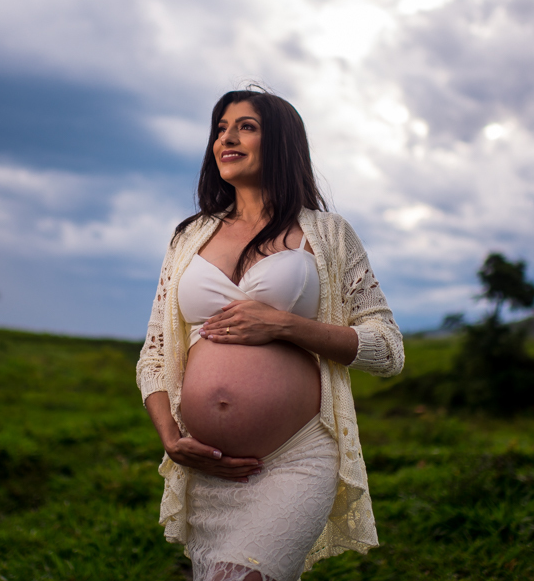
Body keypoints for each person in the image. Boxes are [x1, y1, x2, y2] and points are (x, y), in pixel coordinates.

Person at [136, 88, 405, 581]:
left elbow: (387, 349)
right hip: (208, 469)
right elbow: (153, 356)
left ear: (280, 142)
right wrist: (171, 438)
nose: (227, 138)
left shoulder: (328, 234)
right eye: (220, 128)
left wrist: (285, 325)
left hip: (294, 459)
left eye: (246, 126)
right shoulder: (189, 236)